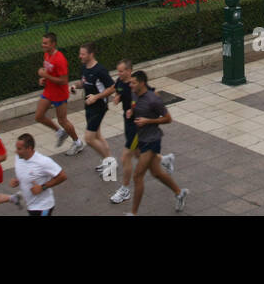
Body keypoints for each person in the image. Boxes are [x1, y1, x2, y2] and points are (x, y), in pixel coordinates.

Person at [106, 60, 173, 204]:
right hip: (129, 122)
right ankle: (164, 160)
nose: (119, 74)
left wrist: (148, 114)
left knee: (125, 157)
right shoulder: (121, 81)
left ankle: (124, 190)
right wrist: (119, 98)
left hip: (137, 126)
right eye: (118, 71)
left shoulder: (138, 84)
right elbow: (118, 90)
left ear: (129, 71)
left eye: (122, 71)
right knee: (138, 153)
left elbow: (152, 94)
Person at [128, 70, 188, 215]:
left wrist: (149, 121)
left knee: (137, 176)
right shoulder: (134, 94)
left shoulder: (153, 100)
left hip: (152, 140)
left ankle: (133, 213)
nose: (131, 85)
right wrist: (130, 112)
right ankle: (179, 192)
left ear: (142, 83)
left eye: (133, 82)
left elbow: (168, 119)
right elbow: (135, 105)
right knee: (156, 173)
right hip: (140, 138)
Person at [35, 33, 82, 155]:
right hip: (49, 91)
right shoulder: (46, 54)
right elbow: (49, 70)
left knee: (62, 120)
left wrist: (46, 76)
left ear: (53, 44)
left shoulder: (60, 59)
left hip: (59, 94)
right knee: (38, 116)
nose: (43, 45)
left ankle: (77, 142)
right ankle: (60, 132)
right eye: (43, 42)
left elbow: (63, 81)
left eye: (46, 43)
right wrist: (44, 79)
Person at [71, 41, 114, 172]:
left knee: (89, 139)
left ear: (91, 54)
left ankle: (110, 162)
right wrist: (75, 86)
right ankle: (108, 160)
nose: (80, 56)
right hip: (89, 106)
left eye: (83, 54)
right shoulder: (84, 68)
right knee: (98, 136)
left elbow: (112, 87)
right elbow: (84, 82)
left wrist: (96, 97)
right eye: (80, 54)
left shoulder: (100, 70)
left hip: (99, 107)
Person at [9, 133, 67, 216]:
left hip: (43, 206)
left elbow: (62, 176)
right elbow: (25, 173)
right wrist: (17, 180)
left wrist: (42, 187)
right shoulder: (18, 157)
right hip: (31, 206)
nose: (16, 151)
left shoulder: (43, 162)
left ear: (29, 148)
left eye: (19, 149)